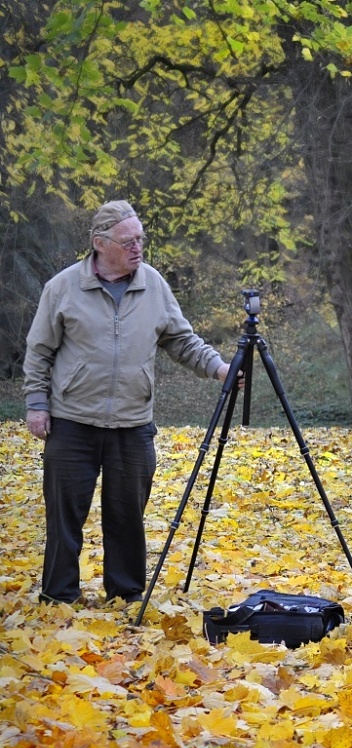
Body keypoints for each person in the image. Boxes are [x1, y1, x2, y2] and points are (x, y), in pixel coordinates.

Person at [23, 200, 234, 605]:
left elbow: (180, 339)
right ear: (100, 244)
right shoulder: (63, 287)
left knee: (126, 517)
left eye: (141, 239)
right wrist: (37, 403)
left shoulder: (152, 284)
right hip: (71, 422)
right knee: (65, 518)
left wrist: (220, 368)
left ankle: (125, 594)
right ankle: (58, 595)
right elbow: (39, 350)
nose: (138, 247)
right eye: (128, 241)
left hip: (133, 423)